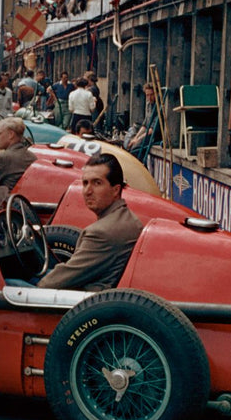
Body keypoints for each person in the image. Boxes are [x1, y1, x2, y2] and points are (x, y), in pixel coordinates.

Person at [38, 154, 143, 291]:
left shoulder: (101, 233)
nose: (87, 191)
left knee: (12, 283)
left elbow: (50, 284)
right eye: (85, 183)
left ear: (116, 190)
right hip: (97, 295)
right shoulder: (128, 219)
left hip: (83, 303)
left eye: (97, 183)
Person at [126, 84, 161, 162]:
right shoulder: (149, 105)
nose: (149, 98)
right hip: (147, 131)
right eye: (147, 95)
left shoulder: (159, 107)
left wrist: (138, 139)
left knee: (136, 148)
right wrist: (135, 138)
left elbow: (152, 129)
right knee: (129, 138)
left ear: (157, 94)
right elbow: (144, 125)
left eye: (151, 95)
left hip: (154, 135)